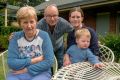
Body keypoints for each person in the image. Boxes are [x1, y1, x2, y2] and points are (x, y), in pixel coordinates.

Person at [7, 6, 54, 80]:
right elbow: (11, 63)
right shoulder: (15, 37)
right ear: (20, 24)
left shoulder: (44, 36)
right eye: (25, 22)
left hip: (41, 72)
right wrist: (34, 60)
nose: (29, 26)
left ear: (36, 22)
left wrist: (27, 69)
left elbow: (49, 61)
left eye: (31, 22)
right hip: (17, 73)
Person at [37, 4, 73, 68]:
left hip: (59, 46)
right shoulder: (39, 25)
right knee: (48, 64)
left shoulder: (63, 23)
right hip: (46, 48)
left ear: (58, 15)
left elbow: (74, 30)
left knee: (60, 63)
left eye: (55, 15)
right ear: (45, 16)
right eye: (49, 16)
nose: (52, 19)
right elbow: (30, 32)